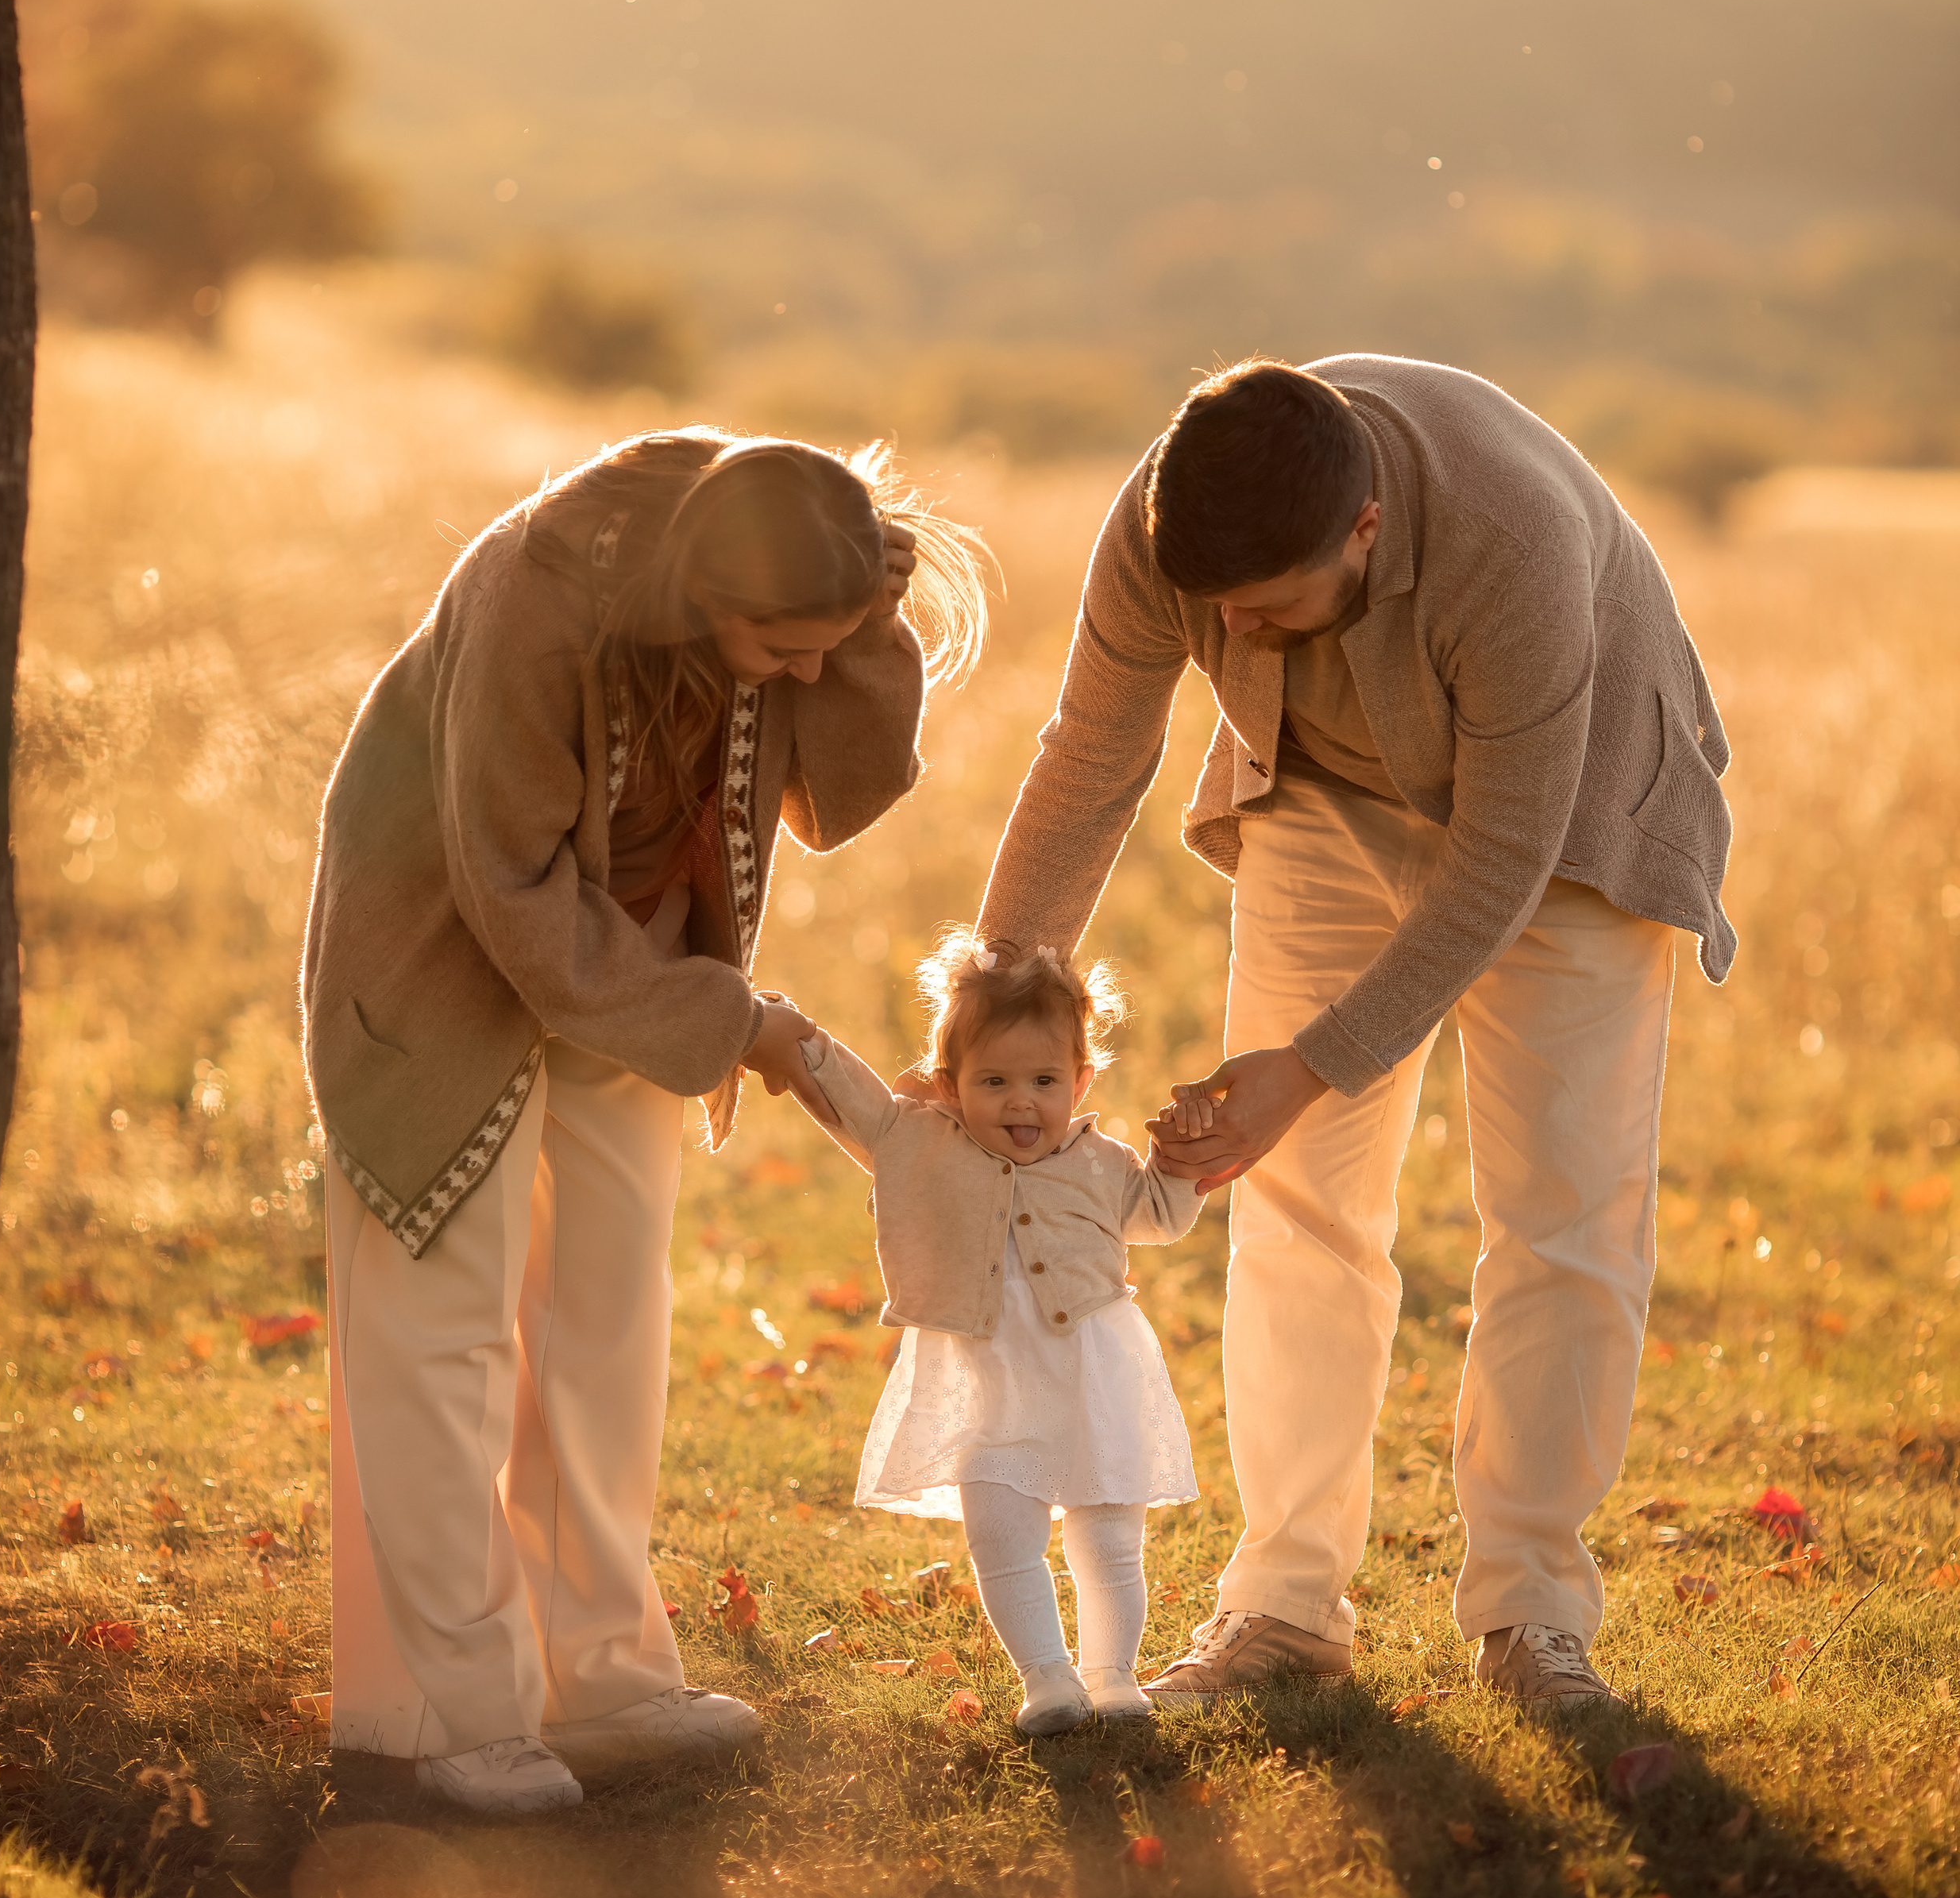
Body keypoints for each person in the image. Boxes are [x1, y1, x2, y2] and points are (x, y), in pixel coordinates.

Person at [978, 356, 1735, 1713]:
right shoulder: (1169, 521)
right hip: (1324, 794)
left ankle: (1533, 1612)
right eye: (1222, 617)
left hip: (1565, 824)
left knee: (1566, 1211)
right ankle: (1284, 1607)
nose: (1242, 640)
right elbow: (1093, 751)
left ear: (1366, 531)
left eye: (1270, 612)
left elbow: (1500, 860)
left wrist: (1312, 1065)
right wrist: (995, 1003)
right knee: (1293, 1198)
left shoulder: (1512, 546)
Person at [302, 429, 986, 1814]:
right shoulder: (533, 599)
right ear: (696, 592)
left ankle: (595, 1675)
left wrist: (865, 614)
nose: (801, 675)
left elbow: (846, 789)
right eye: (781, 646)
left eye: (822, 647)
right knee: (446, 1327)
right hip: (450, 953)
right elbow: (509, 891)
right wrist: (738, 1025)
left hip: (636, 960)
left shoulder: (770, 580)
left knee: (606, 1322)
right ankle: (442, 1717)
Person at [791, 932, 1206, 1735]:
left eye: (1044, 1080)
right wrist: (795, 1038)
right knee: (999, 1531)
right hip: (986, 1381)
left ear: (1081, 1081)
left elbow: (1160, 1216)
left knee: (1109, 1533)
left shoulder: (1101, 1158)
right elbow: (855, 1101)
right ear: (949, 1088)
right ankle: (1048, 1679)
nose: (1022, 1102)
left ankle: (1112, 1675)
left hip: (1094, 1373)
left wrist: (1182, 1159)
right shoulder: (923, 1147)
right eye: (994, 1081)